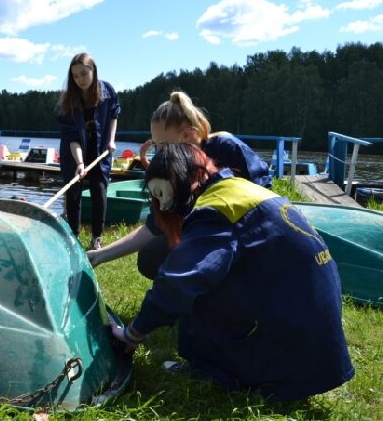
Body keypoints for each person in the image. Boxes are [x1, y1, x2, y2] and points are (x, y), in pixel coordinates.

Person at [111, 143, 355, 400]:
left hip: (292, 349)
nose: (164, 204)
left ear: (185, 176)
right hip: (321, 343)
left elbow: (179, 283)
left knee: (198, 289)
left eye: (162, 192)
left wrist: (133, 333)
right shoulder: (238, 188)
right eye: (156, 198)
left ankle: (217, 372)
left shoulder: (214, 209)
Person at [87, 91, 271, 276]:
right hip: (199, 231)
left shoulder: (227, 147)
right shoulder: (170, 168)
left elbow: (264, 196)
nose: (159, 153)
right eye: (156, 144)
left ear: (187, 135)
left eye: (164, 144)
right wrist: (100, 255)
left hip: (241, 230)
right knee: (149, 258)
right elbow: (155, 224)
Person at [57, 52, 120, 250]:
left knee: (99, 190)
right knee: (74, 191)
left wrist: (111, 140)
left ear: (93, 70)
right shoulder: (68, 101)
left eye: (84, 74)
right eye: (75, 76)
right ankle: (73, 237)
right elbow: (72, 138)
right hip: (74, 151)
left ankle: (96, 239)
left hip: (100, 148)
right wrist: (80, 164)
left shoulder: (107, 90)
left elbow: (114, 113)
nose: (80, 80)